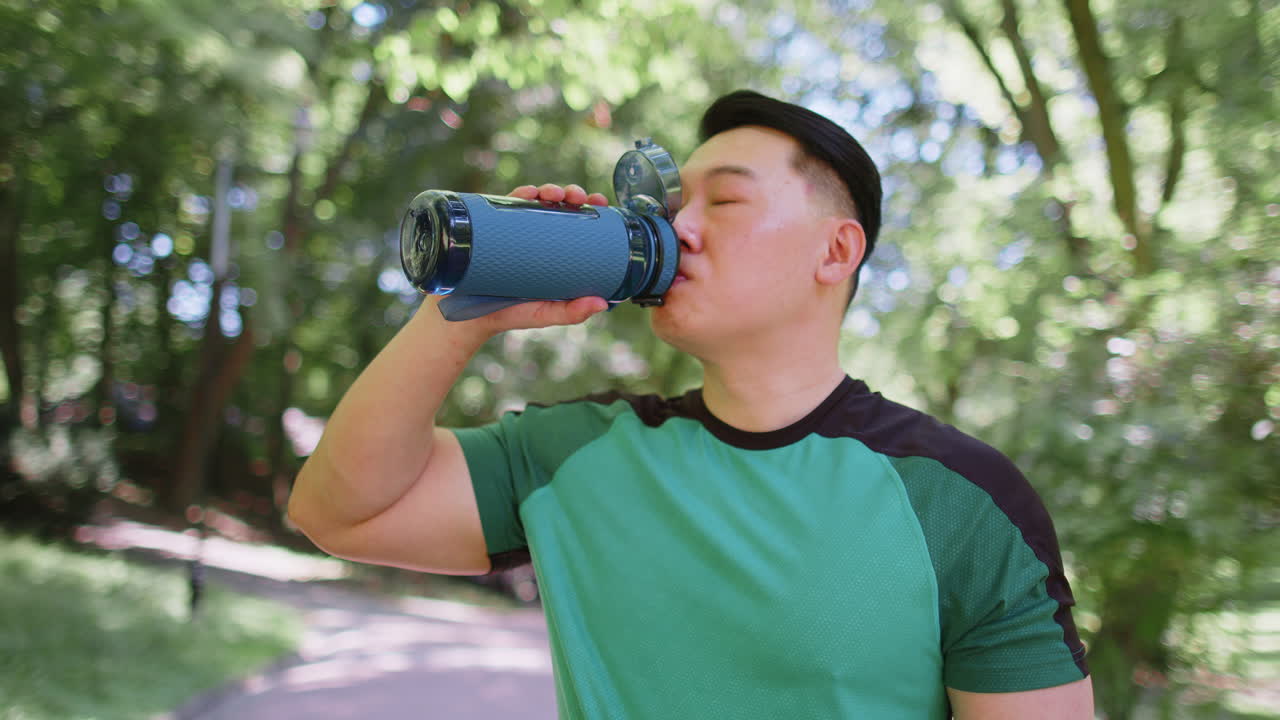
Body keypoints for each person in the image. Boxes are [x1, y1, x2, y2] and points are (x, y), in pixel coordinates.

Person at [288, 89, 1093, 718]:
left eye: (727, 202)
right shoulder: (575, 455)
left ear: (834, 250)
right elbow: (340, 512)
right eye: (675, 210)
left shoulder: (963, 504)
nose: (683, 230)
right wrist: (472, 301)